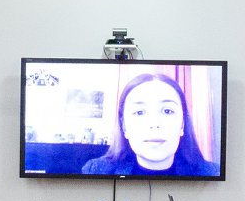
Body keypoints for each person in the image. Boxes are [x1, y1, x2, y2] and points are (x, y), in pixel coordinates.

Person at [78, 73, 216, 177]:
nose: (154, 124)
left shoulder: (211, 173)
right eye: (139, 112)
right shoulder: (96, 170)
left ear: (182, 125)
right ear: (124, 127)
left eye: (167, 111)